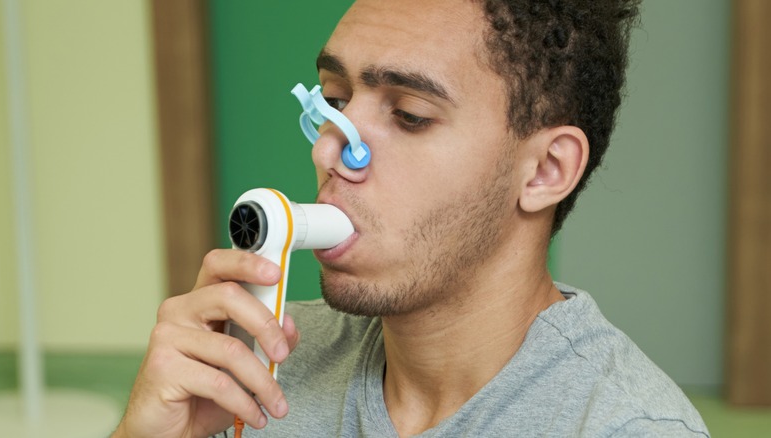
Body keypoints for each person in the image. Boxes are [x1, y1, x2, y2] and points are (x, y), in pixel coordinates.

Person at [114, 0, 710, 436]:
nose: (328, 149)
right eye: (337, 100)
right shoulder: (256, 364)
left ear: (545, 171)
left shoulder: (623, 426)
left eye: (409, 115)